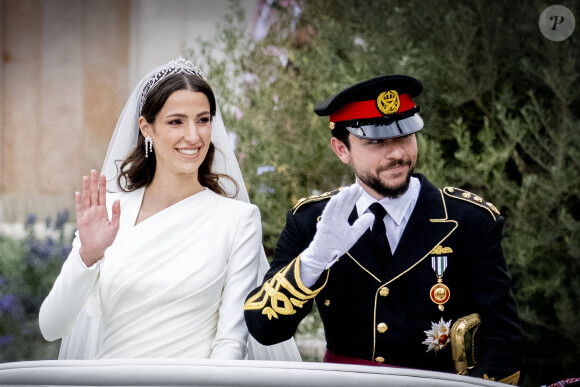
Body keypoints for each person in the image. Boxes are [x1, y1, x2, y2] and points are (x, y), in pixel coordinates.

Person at [244, 75, 523, 383]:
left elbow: (504, 345)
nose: (397, 154)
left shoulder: (469, 220)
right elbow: (264, 329)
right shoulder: (311, 222)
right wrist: (312, 262)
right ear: (341, 149)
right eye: (376, 142)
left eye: (404, 135)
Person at [39, 58, 300, 361]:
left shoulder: (238, 220)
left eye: (203, 120)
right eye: (176, 121)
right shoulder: (110, 212)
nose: (194, 135)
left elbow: (230, 341)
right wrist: (88, 256)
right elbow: (51, 326)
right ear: (146, 128)